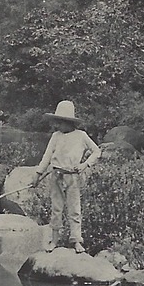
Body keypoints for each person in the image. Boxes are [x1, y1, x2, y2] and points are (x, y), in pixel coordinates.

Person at [33, 100, 100, 253]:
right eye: (57, 122)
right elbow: (47, 156)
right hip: (56, 176)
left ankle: (76, 240)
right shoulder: (56, 136)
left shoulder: (81, 136)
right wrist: (38, 174)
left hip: (73, 177)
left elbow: (97, 151)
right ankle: (55, 239)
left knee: (74, 209)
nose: (58, 126)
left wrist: (85, 164)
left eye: (60, 122)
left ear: (69, 123)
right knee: (56, 208)